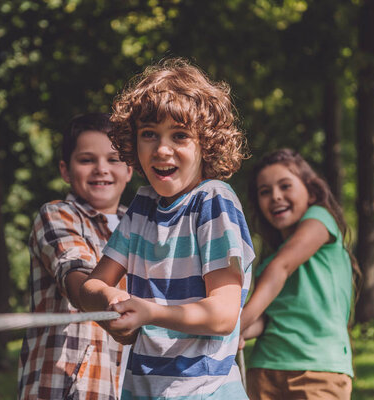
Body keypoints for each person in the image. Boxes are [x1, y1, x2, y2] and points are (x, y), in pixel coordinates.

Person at [79, 58, 255, 399]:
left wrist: (150, 312)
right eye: (149, 134)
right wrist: (111, 299)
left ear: (207, 143)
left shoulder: (213, 201)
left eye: (179, 135)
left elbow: (223, 314)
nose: (162, 149)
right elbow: (91, 287)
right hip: (142, 387)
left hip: (205, 390)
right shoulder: (142, 208)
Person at [17, 113, 133, 400]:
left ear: (130, 168)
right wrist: (105, 299)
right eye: (86, 160)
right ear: (66, 171)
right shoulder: (57, 214)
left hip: (125, 385)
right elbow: (74, 271)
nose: (101, 169)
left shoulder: (142, 227)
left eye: (113, 159)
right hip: (64, 388)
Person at [239, 148, 359, 400]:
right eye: (265, 192)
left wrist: (234, 324)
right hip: (265, 369)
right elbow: (265, 321)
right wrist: (239, 333)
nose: (275, 197)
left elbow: (283, 266)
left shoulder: (321, 220)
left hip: (319, 371)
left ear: (311, 193)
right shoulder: (268, 263)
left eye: (285, 186)